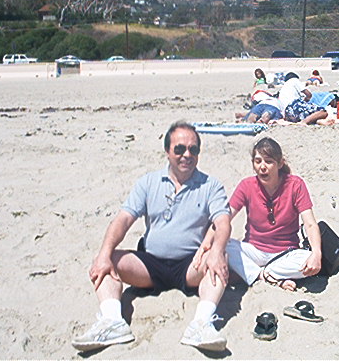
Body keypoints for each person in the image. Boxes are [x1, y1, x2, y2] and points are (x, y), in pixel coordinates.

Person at [71, 121, 232, 353]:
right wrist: (104, 253)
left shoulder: (211, 185)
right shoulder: (148, 182)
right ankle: (112, 321)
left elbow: (223, 222)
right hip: (150, 265)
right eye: (179, 149)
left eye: (193, 149)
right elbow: (123, 220)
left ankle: (201, 324)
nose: (187, 155)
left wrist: (215, 252)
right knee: (107, 259)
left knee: (219, 259)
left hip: (191, 266)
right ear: (167, 151)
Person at [222, 137, 322, 291]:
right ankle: (265, 275)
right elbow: (225, 217)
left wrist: (316, 254)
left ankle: (258, 273)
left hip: (286, 254)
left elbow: (310, 223)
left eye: (268, 161)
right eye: (258, 161)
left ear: (280, 164)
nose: (262, 167)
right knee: (223, 244)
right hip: (253, 251)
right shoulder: (246, 185)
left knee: (309, 260)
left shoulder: (295, 185)